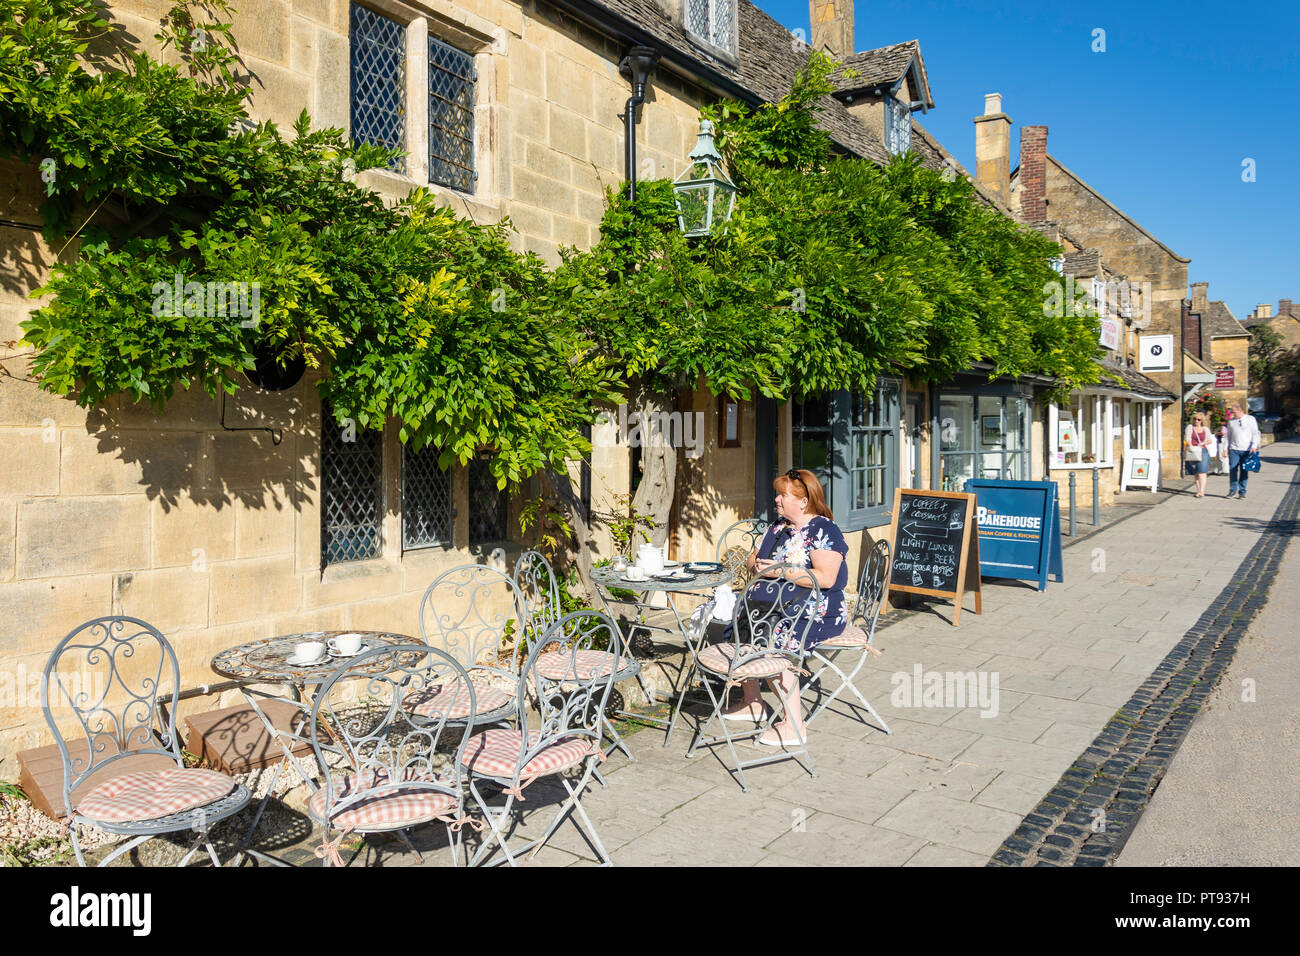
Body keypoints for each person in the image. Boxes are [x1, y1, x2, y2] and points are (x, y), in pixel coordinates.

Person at [720, 468, 849, 747]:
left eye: (782, 495)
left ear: (803, 501)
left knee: (775, 639)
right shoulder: (777, 528)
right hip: (774, 605)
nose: (776, 500)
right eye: (777, 494)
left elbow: (826, 578)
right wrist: (756, 565)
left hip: (816, 609)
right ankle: (752, 702)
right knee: (743, 624)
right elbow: (752, 561)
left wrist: (782, 572)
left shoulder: (824, 530)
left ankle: (794, 724)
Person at [1225, 400, 1261, 499]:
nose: (1232, 414)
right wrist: (1225, 448)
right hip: (1234, 449)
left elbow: (1255, 433)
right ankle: (1232, 490)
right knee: (1233, 469)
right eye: (1232, 412)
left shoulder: (1250, 419)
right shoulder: (1231, 422)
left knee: (1244, 470)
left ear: (1240, 410)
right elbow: (1228, 436)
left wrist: (1254, 446)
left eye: (1234, 412)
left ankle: (1242, 491)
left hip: (1247, 449)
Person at [1183, 412, 1213, 498]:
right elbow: (1188, 439)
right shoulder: (1190, 427)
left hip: (1203, 451)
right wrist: (1192, 447)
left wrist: (1203, 442)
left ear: (1202, 421)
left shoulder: (1205, 429)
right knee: (1196, 472)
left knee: (1202, 472)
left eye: (1198, 419)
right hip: (1193, 451)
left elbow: (1210, 440)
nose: (1196, 421)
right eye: (1195, 419)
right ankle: (1198, 490)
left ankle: (1202, 491)